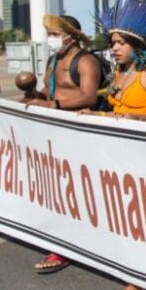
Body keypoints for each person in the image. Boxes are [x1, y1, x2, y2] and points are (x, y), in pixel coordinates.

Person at [91, 0, 146, 290]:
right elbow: (114, 112)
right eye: (113, 42)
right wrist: (92, 114)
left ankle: (137, 282)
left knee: (141, 219)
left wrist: (139, 118)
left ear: (136, 46)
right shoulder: (118, 76)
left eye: (121, 43)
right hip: (117, 157)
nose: (115, 48)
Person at [26, 15, 103, 274]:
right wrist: (33, 97)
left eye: (55, 33)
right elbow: (47, 93)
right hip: (52, 133)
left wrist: (52, 105)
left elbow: (88, 96)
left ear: (71, 35)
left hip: (77, 133)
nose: (51, 38)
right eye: (49, 33)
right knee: (56, 189)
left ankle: (67, 246)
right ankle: (66, 240)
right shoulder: (52, 60)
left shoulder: (86, 61)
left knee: (75, 190)